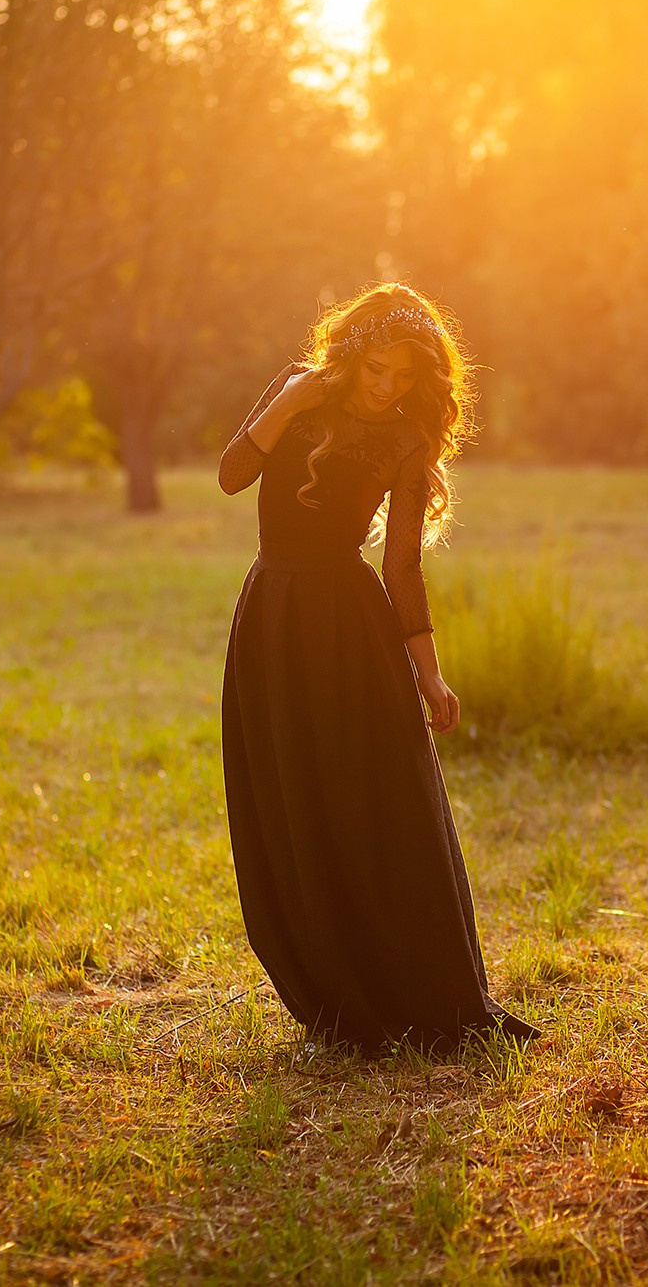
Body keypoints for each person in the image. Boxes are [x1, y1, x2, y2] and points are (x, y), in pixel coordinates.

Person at [215, 283, 538, 1054]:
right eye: (376, 370)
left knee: (376, 799)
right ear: (352, 354)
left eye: (404, 376)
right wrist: (291, 402)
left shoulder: (404, 439)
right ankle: (332, 997)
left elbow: (400, 566)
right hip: (273, 618)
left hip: (351, 624)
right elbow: (231, 475)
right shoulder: (296, 392)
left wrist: (429, 672)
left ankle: (418, 986)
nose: (387, 387)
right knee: (295, 798)